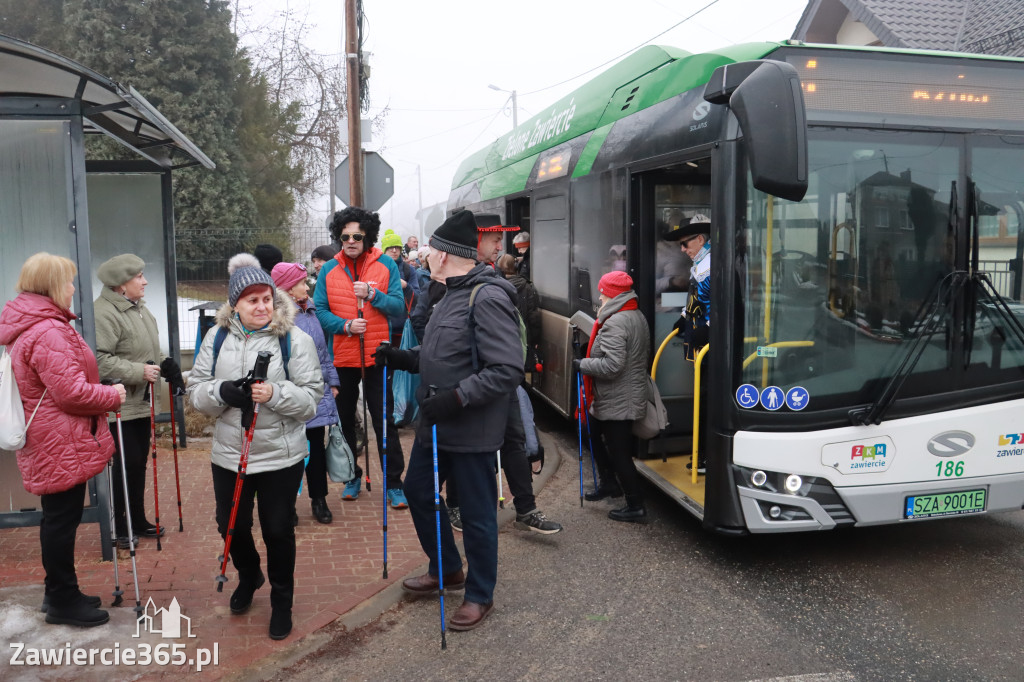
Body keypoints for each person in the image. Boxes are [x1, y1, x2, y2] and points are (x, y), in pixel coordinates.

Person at [375, 209, 524, 631]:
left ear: (443, 254)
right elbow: (442, 354)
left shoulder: (487, 296)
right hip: (436, 423)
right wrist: (405, 359)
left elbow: (506, 369)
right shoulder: (447, 292)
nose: (425, 257)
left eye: (431, 250)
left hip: (470, 427)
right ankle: (447, 568)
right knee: (418, 490)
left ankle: (479, 594)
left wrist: (457, 398)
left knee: (477, 514)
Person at [188, 253, 322, 640]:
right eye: (252, 300)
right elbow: (197, 391)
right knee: (230, 525)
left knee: (278, 529)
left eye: (266, 298)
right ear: (235, 305)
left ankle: (283, 601)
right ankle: (250, 575)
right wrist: (223, 392)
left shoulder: (294, 340)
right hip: (229, 453)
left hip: (281, 455)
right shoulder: (217, 338)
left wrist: (275, 393)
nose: (262, 306)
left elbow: (312, 399)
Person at [0, 252, 126, 627]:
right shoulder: (48, 330)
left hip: (55, 439)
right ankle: (61, 599)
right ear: (54, 285)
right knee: (60, 520)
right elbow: (71, 393)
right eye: (69, 281)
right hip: (59, 442)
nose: (73, 288)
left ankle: (59, 590)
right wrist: (113, 395)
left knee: (59, 518)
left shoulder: (38, 324)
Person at [430, 215, 562, 535]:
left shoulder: (491, 278)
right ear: (474, 243)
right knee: (469, 451)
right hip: (472, 385)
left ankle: (526, 508)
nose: (499, 245)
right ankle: (456, 506)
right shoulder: (446, 283)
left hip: (500, 380)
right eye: (492, 239)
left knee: (513, 440)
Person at [314, 206, 408, 509]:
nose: (351, 241)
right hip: (342, 358)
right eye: (345, 237)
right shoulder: (329, 270)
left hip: (377, 357)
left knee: (384, 421)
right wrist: (345, 326)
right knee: (344, 423)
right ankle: (351, 475)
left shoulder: (385, 266)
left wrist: (372, 295)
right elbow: (320, 312)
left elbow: (398, 308)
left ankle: (394, 483)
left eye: (357, 236)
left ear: (367, 236)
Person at [93, 254, 185, 547]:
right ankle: (119, 525)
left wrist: (166, 363)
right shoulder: (103, 314)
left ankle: (137, 518)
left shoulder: (141, 310)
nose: (144, 282)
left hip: (141, 403)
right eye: (138, 277)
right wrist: (138, 372)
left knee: (138, 463)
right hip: (118, 405)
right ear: (121, 283)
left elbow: (146, 351)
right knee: (124, 464)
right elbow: (98, 360)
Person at [574, 271, 651, 523]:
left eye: (603, 292)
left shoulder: (616, 321)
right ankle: (609, 483)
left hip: (619, 397)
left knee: (619, 453)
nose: (599, 296)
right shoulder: (634, 313)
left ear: (612, 294)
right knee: (592, 433)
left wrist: (583, 364)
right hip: (619, 394)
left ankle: (636, 505)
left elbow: (612, 365)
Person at [271, 261, 340, 524]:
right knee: (288, 451)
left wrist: (332, 383)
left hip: (314, 393)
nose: (306, 286)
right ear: (288, 288)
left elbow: (323, 354)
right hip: (290, 394)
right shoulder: (277, 317)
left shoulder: (310, 311)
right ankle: (286, 503)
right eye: (301, 282)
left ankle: (318, 499)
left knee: (316, 449)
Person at [663, 213, 711, 473]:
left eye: (686, 243)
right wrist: (684, 317)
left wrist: (708, 329)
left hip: (708, 342)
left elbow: (717, 303)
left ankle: (706, 455)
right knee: (701, 395)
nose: (682, 249)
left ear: (701, 239)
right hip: (698, 337)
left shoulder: (712, 264)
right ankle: (702, 453)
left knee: (707, 398)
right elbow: (696, 298)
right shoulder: (701, 263)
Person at [380, 228, 417, 347]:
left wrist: (406, 286)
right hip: (381, 328)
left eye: (397, 247)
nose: (394, 251)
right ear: (384, 250)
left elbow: (418, 296)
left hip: (403, 329)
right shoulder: (376, 269)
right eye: (390, 248)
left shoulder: (408, 269)